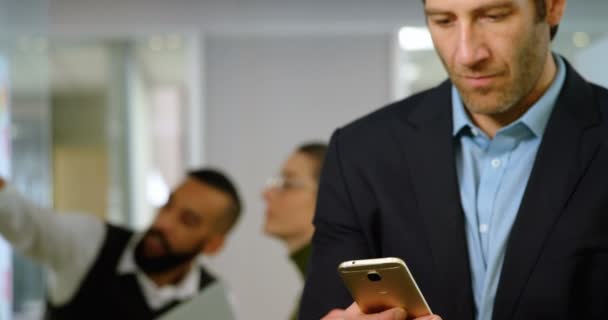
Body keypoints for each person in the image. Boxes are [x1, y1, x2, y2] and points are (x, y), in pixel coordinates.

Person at [299, 0, 608, 319]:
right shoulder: (360, 152)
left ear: (553, 7)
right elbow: (324, 310)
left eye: (493, 17)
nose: (467, 54)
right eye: (444, 21)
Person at [0, 168, 242, 319]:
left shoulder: (212, 301)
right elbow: (22, 219)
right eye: (167, 205)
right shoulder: (91, 242)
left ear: (212, 245)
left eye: (187, 221)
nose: (164, 223)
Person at [262, 142, 327, 320]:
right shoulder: (316, 287)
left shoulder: (335, 294)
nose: (266, 193)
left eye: (287, 183)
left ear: (328, 199)